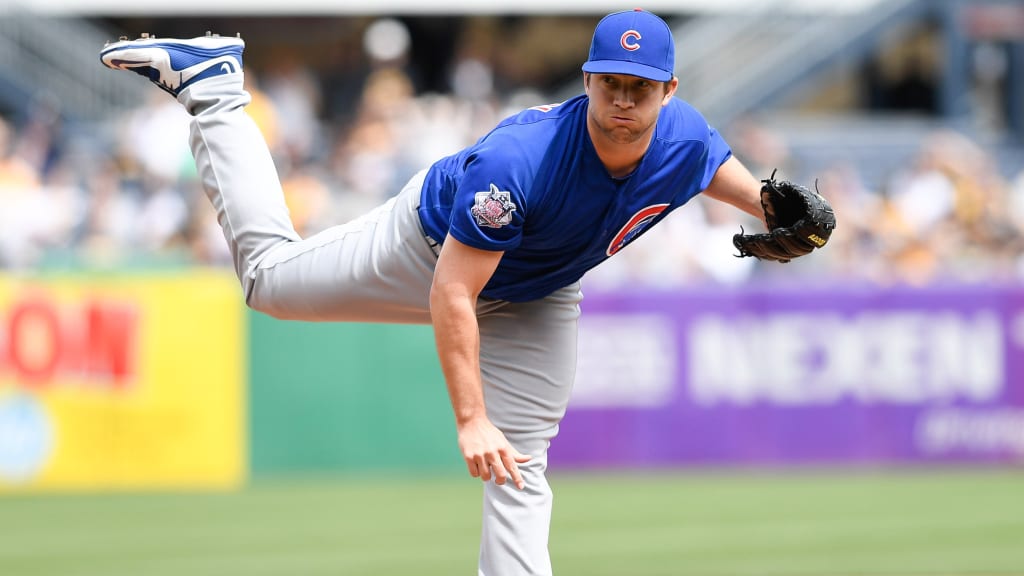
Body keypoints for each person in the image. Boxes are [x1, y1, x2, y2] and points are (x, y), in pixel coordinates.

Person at [101, 10, 826, 575]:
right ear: (586, 80)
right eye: (611, 83)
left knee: (524, 461)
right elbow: (452, 292)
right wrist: (472, 416)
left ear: (670, 91)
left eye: (641, 87)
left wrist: (781, 209)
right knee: (268, 284)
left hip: (541, 290)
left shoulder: (687, 140)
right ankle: (217, 89)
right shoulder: (521, 164)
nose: (624, 101)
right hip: (429, 249)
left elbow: (727, 176)